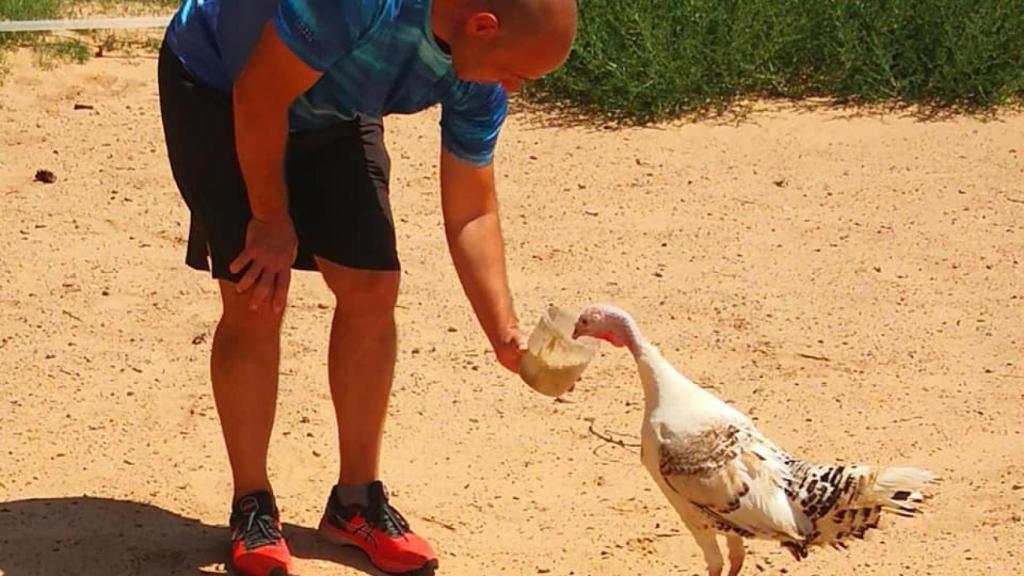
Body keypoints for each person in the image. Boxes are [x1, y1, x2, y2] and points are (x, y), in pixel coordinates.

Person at [157, 0, 577, 574]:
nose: (513, 88)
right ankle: (252, 503)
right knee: (256, 293)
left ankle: (356, 502)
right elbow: (258, 96)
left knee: (373, 288)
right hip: (222, 83)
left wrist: (503, 332)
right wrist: (272, 218)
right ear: (483, 26)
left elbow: (471, 212)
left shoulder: (477, 81)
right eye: (518, 74)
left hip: (333, 103)